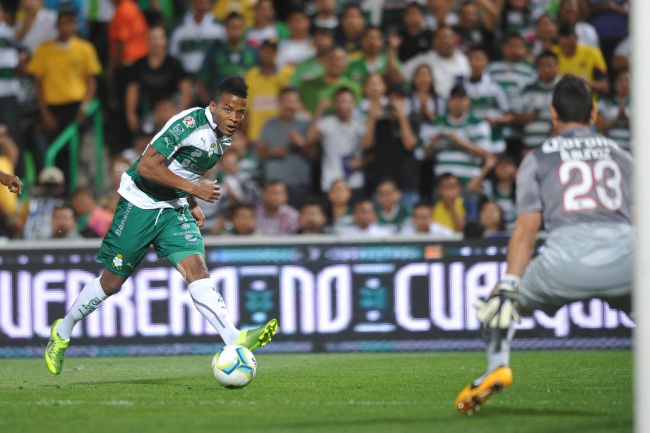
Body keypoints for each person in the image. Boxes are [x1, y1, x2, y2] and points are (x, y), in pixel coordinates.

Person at [44, 76, 279, 375]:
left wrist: (190, 202)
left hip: (173, 208)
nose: (234, 118)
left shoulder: (224, 136)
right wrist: (194, 190)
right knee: (111, 283)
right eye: (228, 110)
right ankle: (62, 330)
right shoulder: (188, 124)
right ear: (213, 106)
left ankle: (234, 337)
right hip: (140, 203)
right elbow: (146, 166)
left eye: (240, 112)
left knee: (197, 270)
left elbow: (188, 168)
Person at [455, 75, 634, 414]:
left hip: (564, 265)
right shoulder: (622, 156)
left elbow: (527, 228)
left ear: (553, 114)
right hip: (626, 261)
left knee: (497, 307)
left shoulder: (537, 159)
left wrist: (509, 285)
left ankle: (497, 367)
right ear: (593, 113)